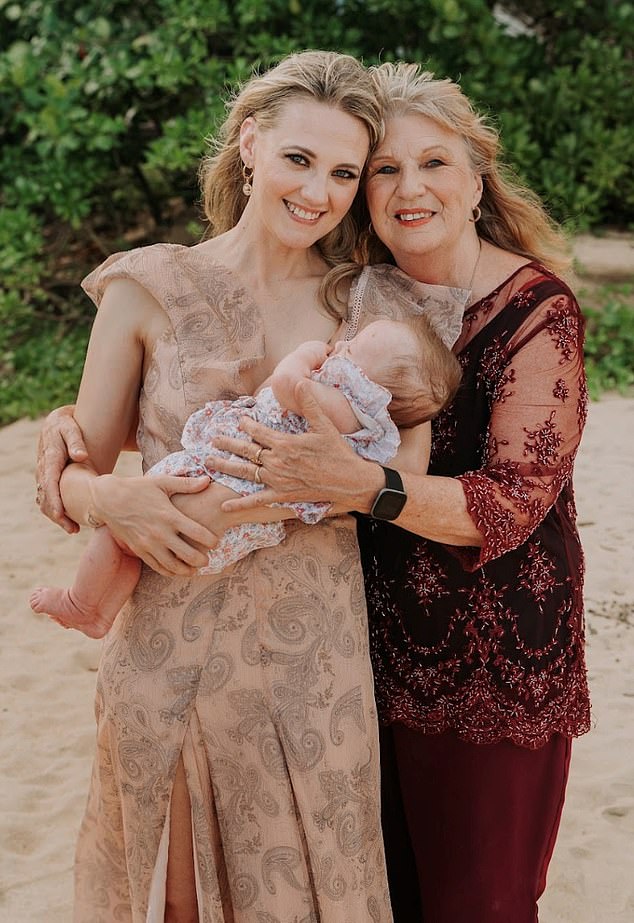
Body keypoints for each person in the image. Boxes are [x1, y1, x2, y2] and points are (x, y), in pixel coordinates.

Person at [37, 60, 590, 922]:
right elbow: (73, 473)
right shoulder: (146, 284)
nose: (320, 192)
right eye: (302, 159)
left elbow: (405, 463)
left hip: (322, 662)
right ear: (249, 143)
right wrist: (109, 498)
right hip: (171, 649)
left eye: (343, 173)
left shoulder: (370, 298)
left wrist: (344, 477)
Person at [30, 316, 461, 638]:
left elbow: (288, 387)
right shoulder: (371, 426)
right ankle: (101, 613)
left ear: (370, 387)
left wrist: (305, 354)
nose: (341, 348)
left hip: (222, 493)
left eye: (356, 349)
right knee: (129, 545)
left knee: (117, 537)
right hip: (236, 513)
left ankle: (83, 603)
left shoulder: (341, 404)